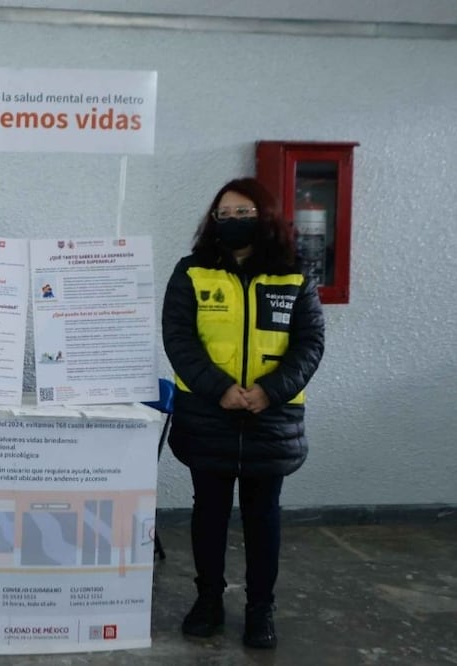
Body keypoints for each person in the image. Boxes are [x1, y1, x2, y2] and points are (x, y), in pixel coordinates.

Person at [162, 177, 324, 649]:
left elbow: (309, 345)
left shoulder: (294, 274)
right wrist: (221, 390)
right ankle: (208, 600)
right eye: (224, 215)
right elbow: (179, 339)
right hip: (208, 414)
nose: (233, 222)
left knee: (263, 516)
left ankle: (260, 608)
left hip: (270, 419)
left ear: (266, 217)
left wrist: (269, 392)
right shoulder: (191, 272)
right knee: (208, 512)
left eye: (243, 213)